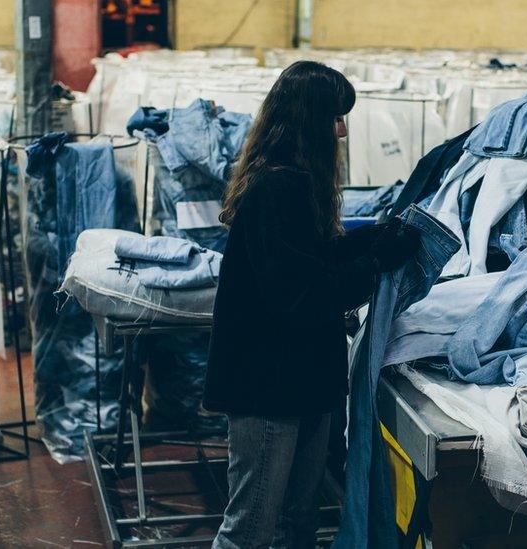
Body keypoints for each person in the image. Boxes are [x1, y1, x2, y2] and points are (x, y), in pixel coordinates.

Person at [204, 61, 420, 548]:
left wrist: (370, 241)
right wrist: (375, 263)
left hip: (300, 380)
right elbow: (299, 293)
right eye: (335, 117)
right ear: (309, 121)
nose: (342, 130)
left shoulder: (296, 183)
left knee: (295, 525)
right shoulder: (276, 188)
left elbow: (313, 256)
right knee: (252, 526)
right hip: (268, 387)